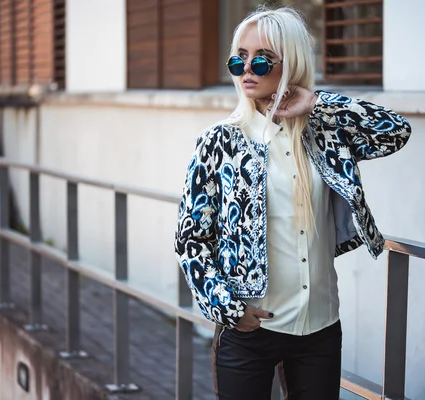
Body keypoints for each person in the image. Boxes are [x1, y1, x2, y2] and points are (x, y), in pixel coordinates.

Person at [174, 6, 412, 400]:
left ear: (291, 63)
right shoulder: (220, 141)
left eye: (262, 59)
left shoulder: (323, 132)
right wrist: (228, 309)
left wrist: (317, 104)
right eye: (238, 59)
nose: (246, 68)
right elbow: (191, 239)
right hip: (250, 330)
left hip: (319, 327)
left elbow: (395, 131)